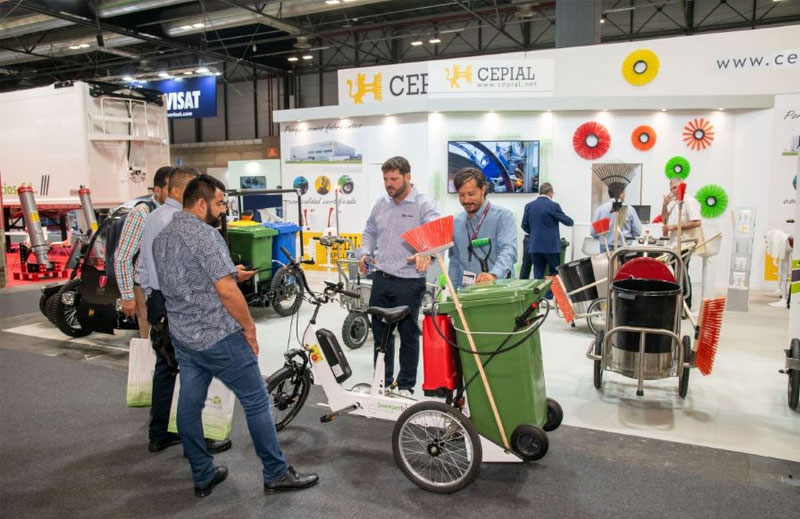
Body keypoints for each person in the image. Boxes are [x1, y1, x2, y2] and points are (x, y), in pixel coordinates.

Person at [152, 174, 318, 497]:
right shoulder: (206, 236)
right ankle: (275, 472)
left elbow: (183, 282)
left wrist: (230, 273)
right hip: (219, 336)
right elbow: (226, 291)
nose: (224, 209)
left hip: (184, 338)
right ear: (201, 204)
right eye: (219, 203)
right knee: (256, 401)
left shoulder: (163, 236)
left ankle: (202, 474)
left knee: (188, 405)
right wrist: (249, 328)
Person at [138, 167, 233, 454]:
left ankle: (160, 432)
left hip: (160, 299)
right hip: (179, 304)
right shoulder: (179, 223)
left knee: (167, 369)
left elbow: (143, 266)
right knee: (193, 374)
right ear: (179, 191)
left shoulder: (156, 217)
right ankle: (197, 440)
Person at [358, 156, 440, 397]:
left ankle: (405, 386)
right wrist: (365, 252)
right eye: (385, 179)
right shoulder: (381, 203)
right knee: (381, 335)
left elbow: (436, 234)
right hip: (381, 278)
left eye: (394, 179)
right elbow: (369, 231)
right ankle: (381, 383)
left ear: (407, 177)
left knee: (408, 334)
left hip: (409, 281)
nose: (389, 184)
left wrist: (427, 252)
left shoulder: (424, 204)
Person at [114, 166, 171, 339]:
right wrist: (127, 296)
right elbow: (122, 257)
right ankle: (150, 367)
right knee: (151, 337)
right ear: (157, 190)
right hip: (145, 288)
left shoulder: (175, 212)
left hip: (169, 286)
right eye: (171, 188)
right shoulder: (142, 213)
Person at [448, 167, 517, 289]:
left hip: (499, 290)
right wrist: (451, 292)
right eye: (461, 195)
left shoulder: (503, 216)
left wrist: (493, 275)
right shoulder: (456, 223)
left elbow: (509, 250)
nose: (466, 200)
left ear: (483, 190)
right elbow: (454, 262)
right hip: (467, 294)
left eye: (471, 194)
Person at [521, 182, 574, 296]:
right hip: (551, 247)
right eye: (552, 193)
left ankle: (539, 297)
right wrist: (571, 221)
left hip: (535, 246)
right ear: (549, 192)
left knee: (538, 274)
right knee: (554, 273)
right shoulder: (553, 206)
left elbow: (524, 225)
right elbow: (568, 222)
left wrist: (535, 233)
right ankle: (551, 296)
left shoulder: (529, 206)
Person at [661, 177, 702, 309]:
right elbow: (664, 218)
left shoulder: (689, 202)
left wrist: (673, 227)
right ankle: (679, 304)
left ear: (683, 186)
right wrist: (664, 205)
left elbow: (697, 222)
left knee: (683, 272)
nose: (675, 190)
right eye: (673, 188)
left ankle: (686, 305)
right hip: (673, 244)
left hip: (684, 244)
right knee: (677, 274)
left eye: (677, 187)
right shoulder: (673, 203)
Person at [590, 185, 642, 252]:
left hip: (605, 247)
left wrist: (603, 237)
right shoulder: (630, 209)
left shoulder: (600, 210)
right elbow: (638, 232)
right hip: (624, 248)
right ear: (621, 194)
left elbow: (593, 232)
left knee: (607, 263)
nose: (625, 196)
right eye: (624, 193)